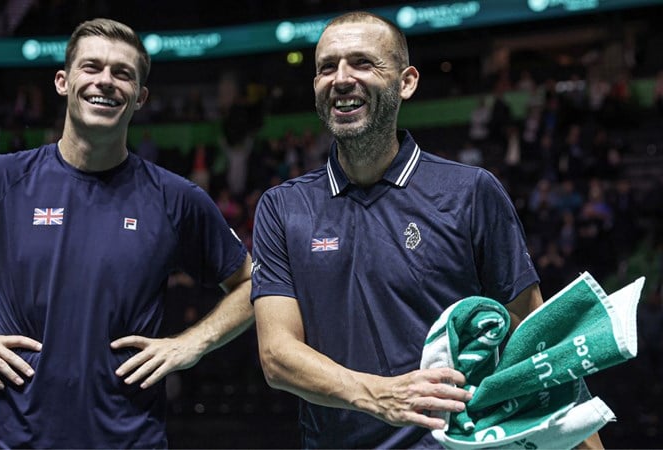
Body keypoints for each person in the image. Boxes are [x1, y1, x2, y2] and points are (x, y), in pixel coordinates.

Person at [0, 18, 253, 449]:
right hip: (7, 441)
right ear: (62, 81)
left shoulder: (176, 199)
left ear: (141, 97)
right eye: (91, 67)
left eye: (122, 73)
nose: (105, 81)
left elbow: (252, 282)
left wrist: (193, 343)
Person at [251, 12, 603, 449]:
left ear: (406, 82)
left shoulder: (471, 192)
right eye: (327, 67)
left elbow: (537, 342)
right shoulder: (282, 207)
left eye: (362, 63)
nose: (341, 79)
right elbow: (277, 357)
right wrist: (382, 395)